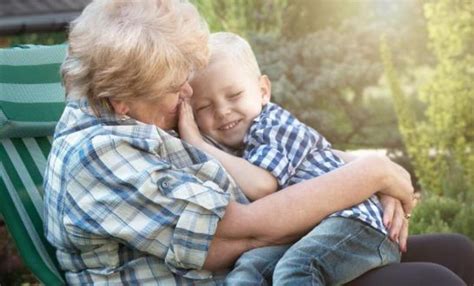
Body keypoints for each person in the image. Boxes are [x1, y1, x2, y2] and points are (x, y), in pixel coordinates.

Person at [42, 0, 474, 285]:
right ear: (122, 99)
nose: (189, 96)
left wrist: (368, 182)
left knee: (456, 251)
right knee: (432, 280)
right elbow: (245, 233)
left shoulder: (139, 116)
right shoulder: (101, 157)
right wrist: (372, 173)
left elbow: (294, 157)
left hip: (269, 259)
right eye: (177, 87)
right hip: (245, 271)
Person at [181, 32, 400, 285]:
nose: (222, 111)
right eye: (204, 107)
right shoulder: (230, 145)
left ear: (263, 91)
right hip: (310, 233)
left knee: (296, 270)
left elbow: (262, 186)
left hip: (356, 225)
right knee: (247, 271)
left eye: (234, 96)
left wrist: (196, 142)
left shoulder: (272, 125)